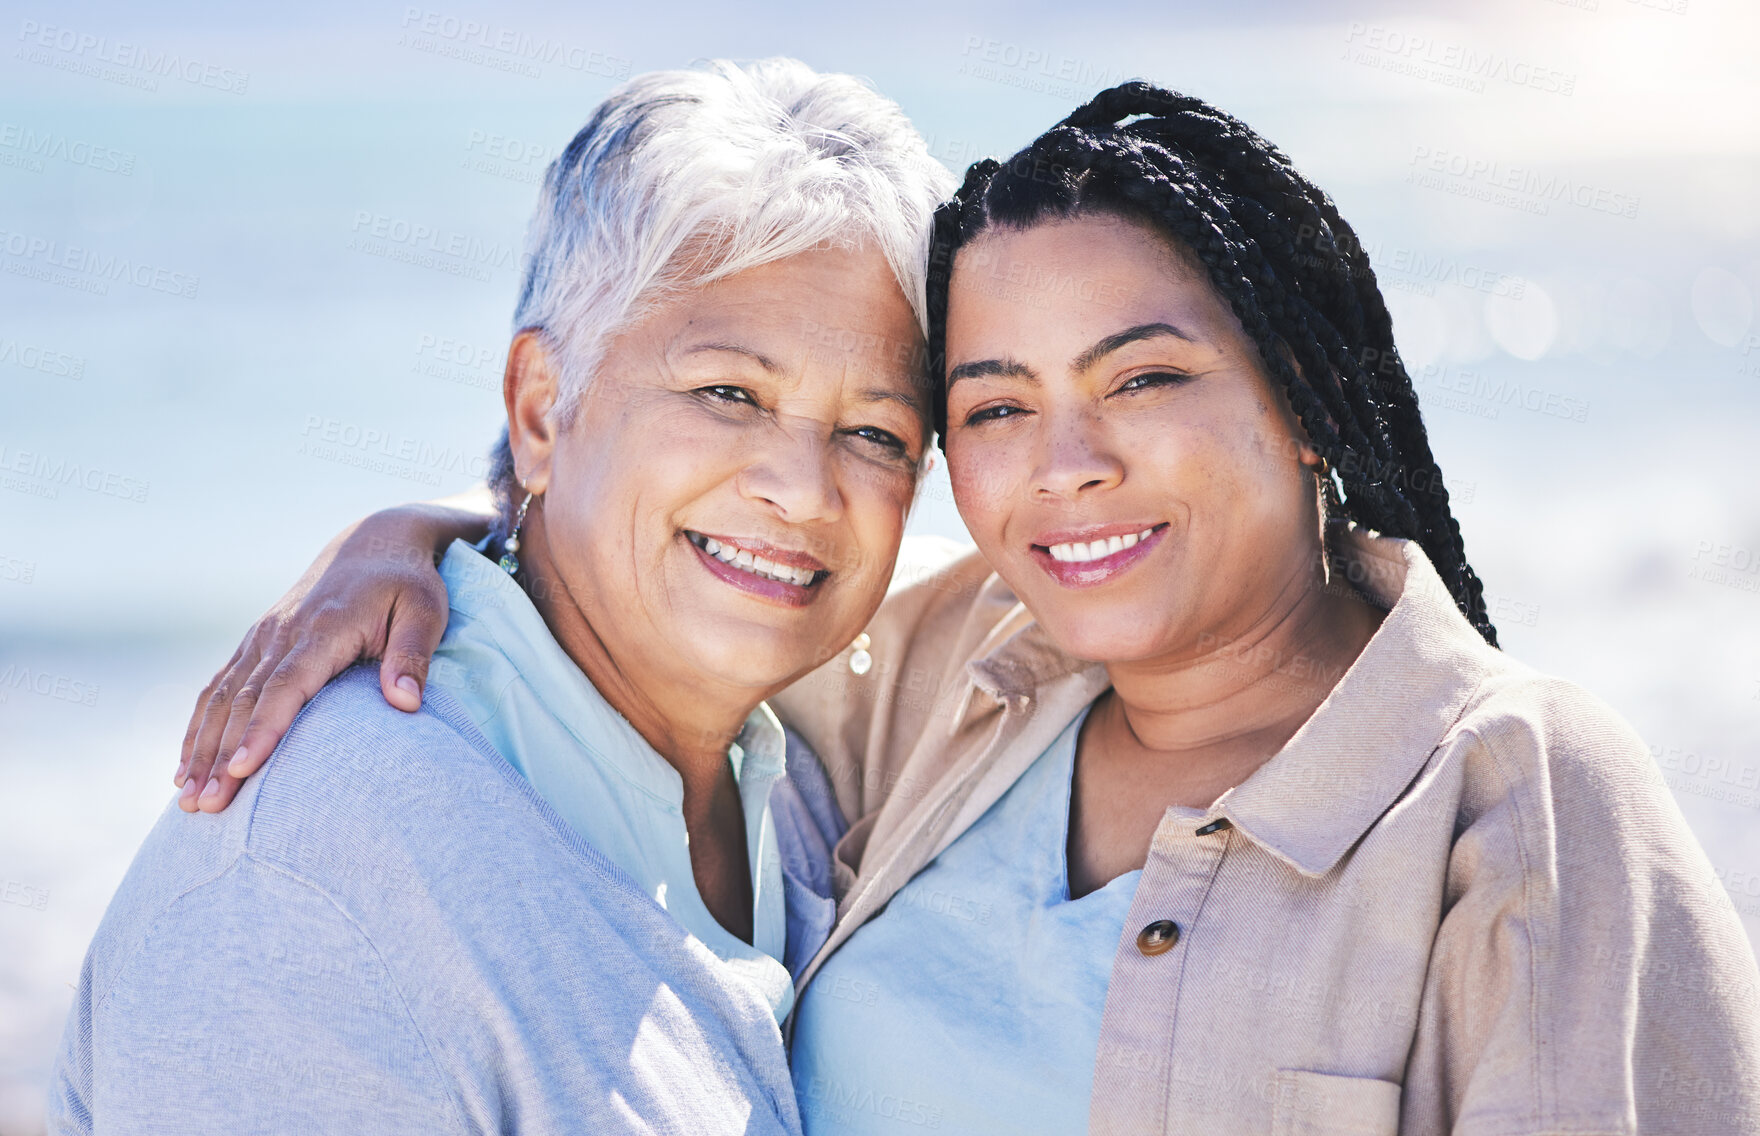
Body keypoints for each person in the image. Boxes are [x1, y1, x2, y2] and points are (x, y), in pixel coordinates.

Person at [172, 84, 1760, 1134]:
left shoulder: (1519, 797)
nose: (1066, 465)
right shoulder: (965, 682)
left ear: (1304, 401)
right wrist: (432, 533)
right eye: (993, 407)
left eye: (1142, 377)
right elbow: (668, 600)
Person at [48, 58, 951, 1134]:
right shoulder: (319, 890)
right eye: (726, 393)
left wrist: (420, 523)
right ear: (538, 408)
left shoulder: (799, 761)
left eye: (873, 434)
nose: (803, 492)